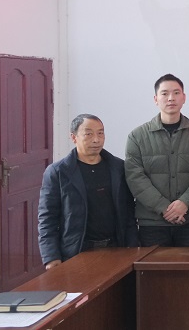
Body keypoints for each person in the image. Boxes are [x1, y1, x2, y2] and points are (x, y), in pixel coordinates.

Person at [38, 114, 138, 268]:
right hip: (76, 251)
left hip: (117, 248)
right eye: (89, 134)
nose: (96, 139)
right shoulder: (58, 172)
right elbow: (47, 218)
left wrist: (133, 246)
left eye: (100, 133)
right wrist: (51, 257)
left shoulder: (118, 168)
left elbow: (129, 212)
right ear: (74, 137)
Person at [125, 74, 189, 247]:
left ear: (184, 97)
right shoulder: (137, 136)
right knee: (154, 265)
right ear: (155, 99)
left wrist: (185, 203)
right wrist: (164, 207)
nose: (171, 98)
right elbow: (135, 177)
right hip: (152, 223)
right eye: (165, 93)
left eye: (176, 93)